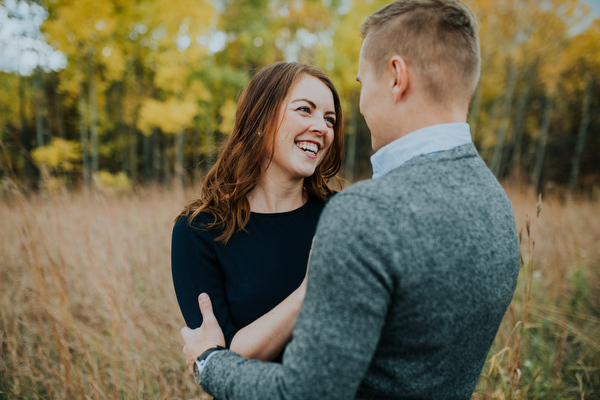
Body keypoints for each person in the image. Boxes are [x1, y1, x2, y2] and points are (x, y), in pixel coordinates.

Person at [181, 1, 521, 399]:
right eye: (306, 109)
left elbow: (305, 394)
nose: (353, 110)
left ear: (396, 77)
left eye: (362, 84)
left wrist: (209, 363)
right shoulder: (497, 205)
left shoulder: (361, 213)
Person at [172, 62, 344, 365]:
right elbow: (220, 363)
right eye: (305, 110)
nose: (323, 128)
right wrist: (309, 291)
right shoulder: (199, 231)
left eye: (330, 119)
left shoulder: (345, 217)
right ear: (260, 119)